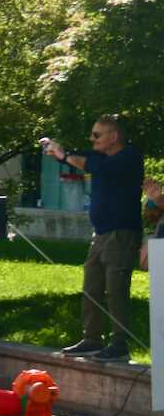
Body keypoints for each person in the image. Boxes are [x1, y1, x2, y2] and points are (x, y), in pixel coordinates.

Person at [43, 115, 144, 362]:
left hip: (122, 234)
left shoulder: (129, 158)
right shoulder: (100, 156)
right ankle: (91, 340)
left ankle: (119, 345)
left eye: (96, 135)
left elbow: (96, 167)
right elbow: (81, 158)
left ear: (114, 136)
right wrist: (57, 150)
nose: (92, 139)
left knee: (116, 291)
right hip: (100, 235)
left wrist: (66, 156)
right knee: (91, 289)